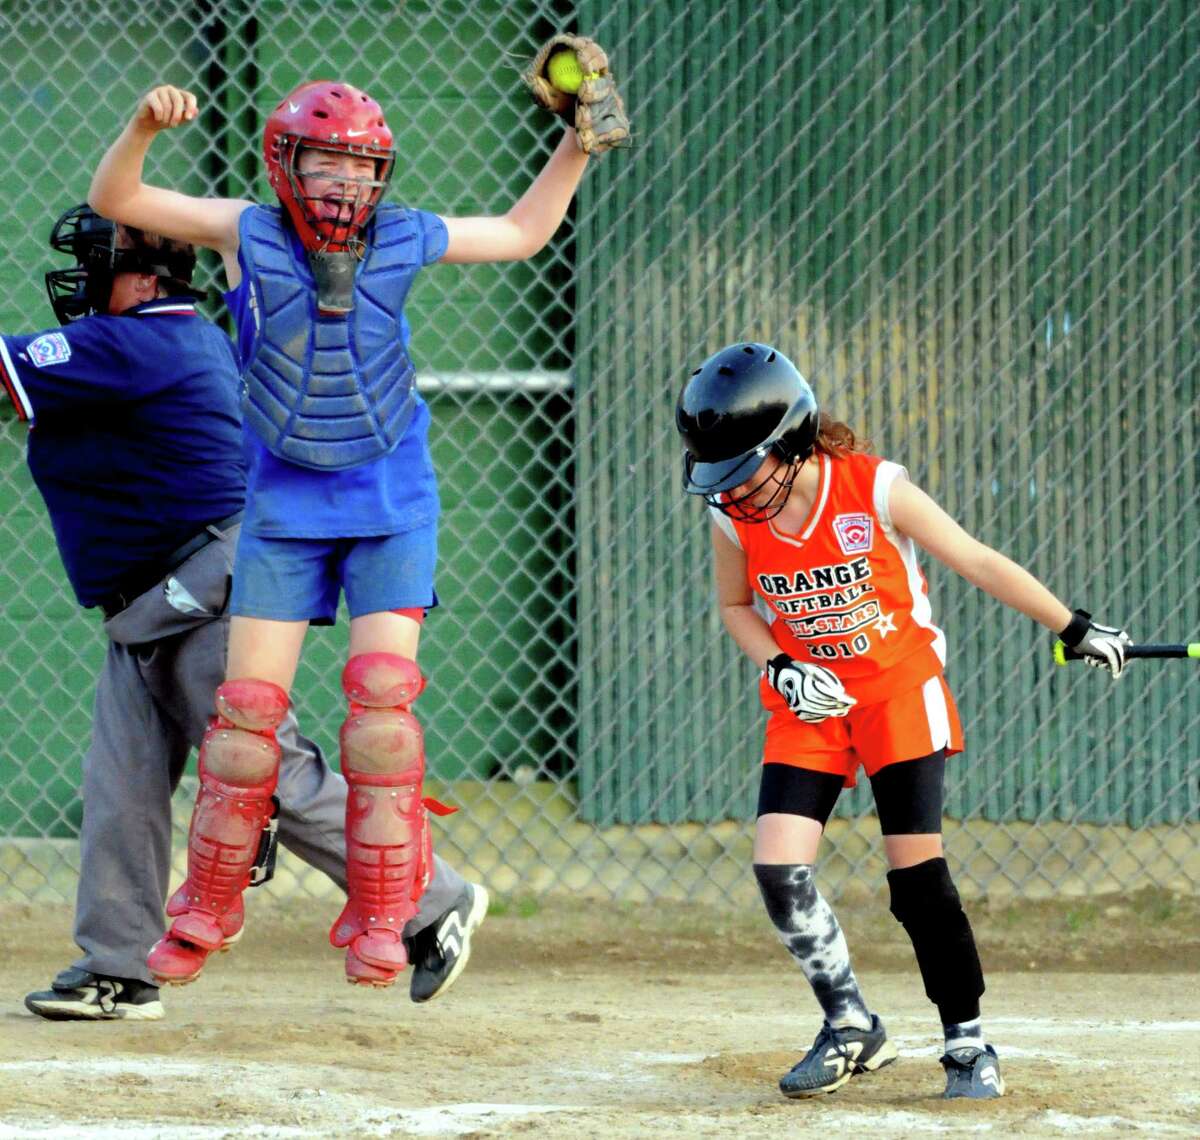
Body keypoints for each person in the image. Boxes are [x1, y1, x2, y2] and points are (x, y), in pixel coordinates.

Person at [87, 46, 628, 988]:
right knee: (244, 724)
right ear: (283, 164)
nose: (345, 184)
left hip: (390, 501)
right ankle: (210, 906)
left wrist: (575, 145)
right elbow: (118, 201)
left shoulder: (406, 234)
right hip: (285, 502)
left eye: (363, 167)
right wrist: (142, 125)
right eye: (325, 164)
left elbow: (521, 232)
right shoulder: (243, 230)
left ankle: (387, 913)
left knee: (382, 718)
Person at [3, 205, 486, 1020]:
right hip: (148, 601)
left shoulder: (143, 339)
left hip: (203, 586)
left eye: (101, 262)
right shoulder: (135, 344)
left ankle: (434, 896)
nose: (85, 278)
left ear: (149, 276)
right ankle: (118, 965)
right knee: (120, 784)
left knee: (272, 776)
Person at [674, 342, 1130, 1100]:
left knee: (918, 879)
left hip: (897, 692)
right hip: (811, 701)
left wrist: (1071, 625)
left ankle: (967, 1045)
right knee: (778, 872)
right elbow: (735, 607)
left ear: (791, 442)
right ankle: (852, 1024)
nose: (730, 493)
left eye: (742, 470)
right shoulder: (735, 519)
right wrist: (779, 666)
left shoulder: (874, 488)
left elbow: (977, 560)